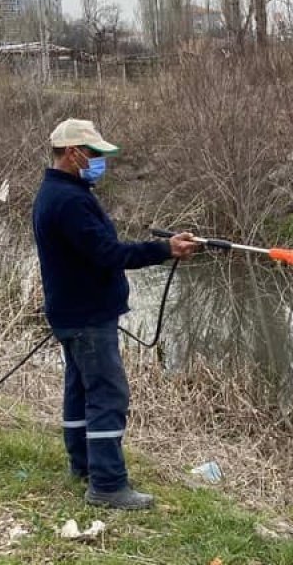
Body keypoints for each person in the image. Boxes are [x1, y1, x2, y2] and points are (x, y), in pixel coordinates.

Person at [32, 118, 198, 510]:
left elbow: (96, 250)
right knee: (107, 395)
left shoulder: (58, 192)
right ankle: (107, 485)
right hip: (87, 317)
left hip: (71, 313)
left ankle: (84, 466)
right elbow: (109, 254)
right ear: (73, 153)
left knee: (79, 391)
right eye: (94, 154)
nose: (99, 161)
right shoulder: (70, 201)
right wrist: (164, 249)